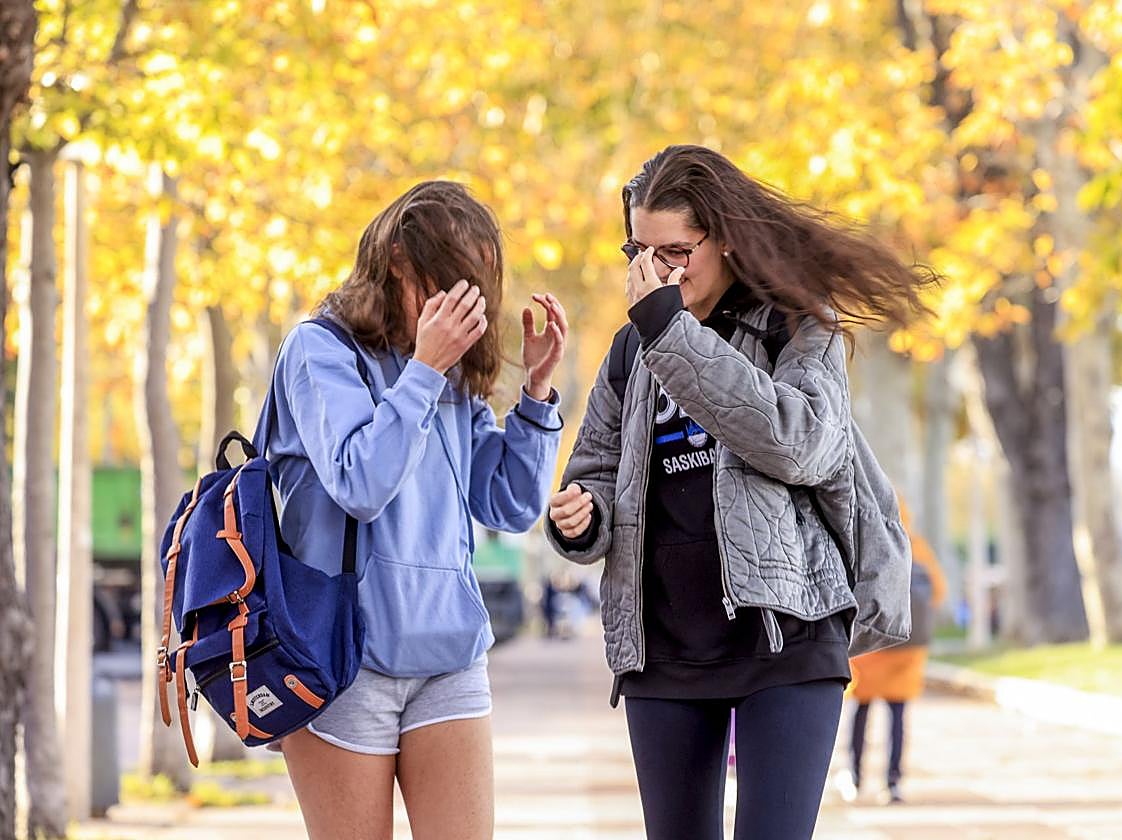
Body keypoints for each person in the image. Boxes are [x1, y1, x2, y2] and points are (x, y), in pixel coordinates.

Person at [544, 145, 935, 840]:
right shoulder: (632, 351)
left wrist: (671, 332)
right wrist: (582, 516)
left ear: (722, 238)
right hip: (664, 651)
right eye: (638, 249)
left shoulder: (793, 324)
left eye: (675, 250)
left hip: (786, 636)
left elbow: (802, 442)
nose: (654, 270)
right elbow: (596, 471)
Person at [263, 181, 567, 840]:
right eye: (444, 284)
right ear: (397, 259)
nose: (457, 306)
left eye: (472, 290)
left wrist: (537, 397)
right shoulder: (320, 351)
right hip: (341, 659)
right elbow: (359, 482)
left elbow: (510, 503)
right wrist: (425, 372)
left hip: (449, 654)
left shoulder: (448, 369)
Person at [841, 500, 947, 805]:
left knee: (860, 714)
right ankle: (893, 782)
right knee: (897, 716)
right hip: (906, 649)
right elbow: (938, 593)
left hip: (869, 649)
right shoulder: (918, 547)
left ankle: (855, 776)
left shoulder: (863, 544)